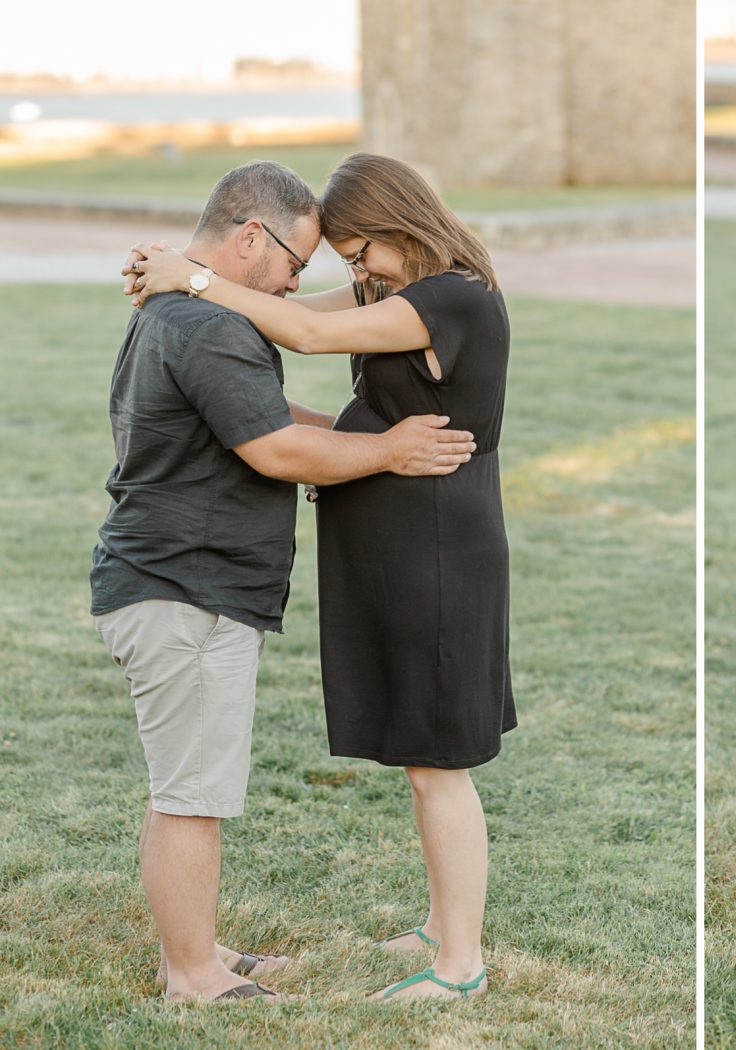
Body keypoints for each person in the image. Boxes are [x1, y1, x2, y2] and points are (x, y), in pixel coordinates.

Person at [124, 152, 512, 1002]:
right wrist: (190, 278)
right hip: (398, 549)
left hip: (437, 549)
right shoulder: (396, 294)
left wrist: (189, 275)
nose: (355, 269)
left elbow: (302, 331)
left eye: (361, 248)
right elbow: (274, 314)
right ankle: (441, 926)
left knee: (439, 757)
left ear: (400, 225)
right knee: (420, 752)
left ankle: (460, 966)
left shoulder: (450, 297)